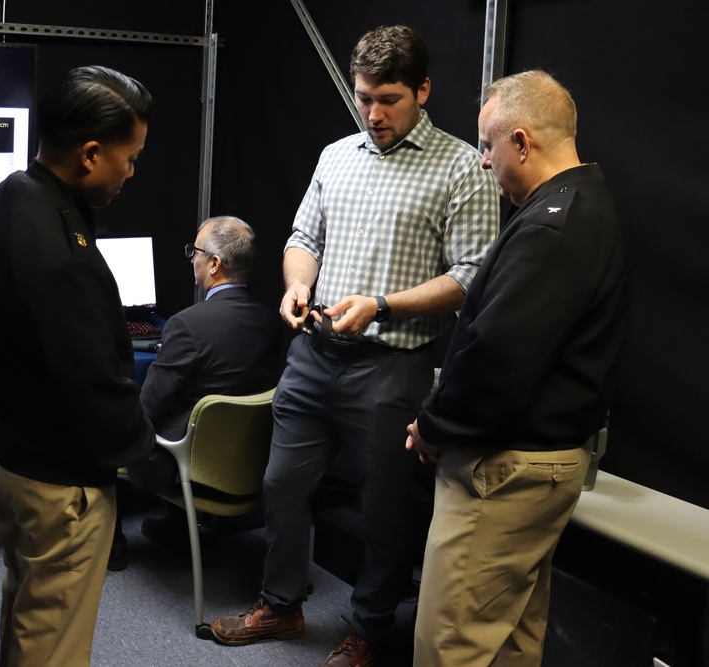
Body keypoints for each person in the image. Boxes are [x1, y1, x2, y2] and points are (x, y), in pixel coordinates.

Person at [210, 25, 500, 667]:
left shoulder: (461, 168)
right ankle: (281, 606)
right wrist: (295, 285)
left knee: (385, 511)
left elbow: (473, 275)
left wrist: (383, 305)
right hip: (313, 356)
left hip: (393, 366)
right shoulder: (336, 154)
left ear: (423, 90)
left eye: (389, 99)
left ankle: (369, 631)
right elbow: (301, 237)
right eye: (365, 96)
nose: (374, 113)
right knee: (282, 484)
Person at [406, 70, 628, 667]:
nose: (483, 162)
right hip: (545, 463)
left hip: (505, 471)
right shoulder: (587, 203)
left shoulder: (552, 229)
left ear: (523, 142)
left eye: (487, 145)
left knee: (448, 646)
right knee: (510, 640)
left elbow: (496, 360)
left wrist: (433, 426)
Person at [0, 66, 156, 667]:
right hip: (59, 484)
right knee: (54, 645)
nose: (132, 171)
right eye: (129, 157)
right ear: (91, 154)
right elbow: (89, 382)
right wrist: (136, 441)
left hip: (8, 461)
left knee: (27, 616)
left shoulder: (3, 201)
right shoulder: (58, 244)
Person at [112, 215, 281, 566]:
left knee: (109, 425)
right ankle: (175, 527)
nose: (192, 258)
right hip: (248, 464)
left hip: (185, 466)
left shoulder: (187, 325)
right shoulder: (269, 321)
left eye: (196, 251)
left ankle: (111, 548)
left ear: (215, 263)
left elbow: (147, 407)